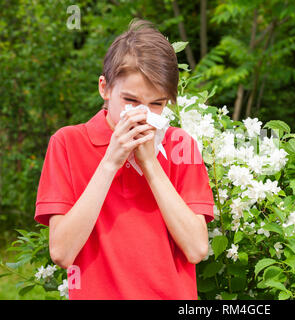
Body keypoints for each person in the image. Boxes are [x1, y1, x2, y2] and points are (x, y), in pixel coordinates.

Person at [34, 19, 215, 300]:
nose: (143, 114)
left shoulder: (181, 145)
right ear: (104, 88)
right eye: (131, 100)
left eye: (157, 103)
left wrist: (150, 165)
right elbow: (61, 252)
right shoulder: (67, 143)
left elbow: (197, 248)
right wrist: (110, 162)